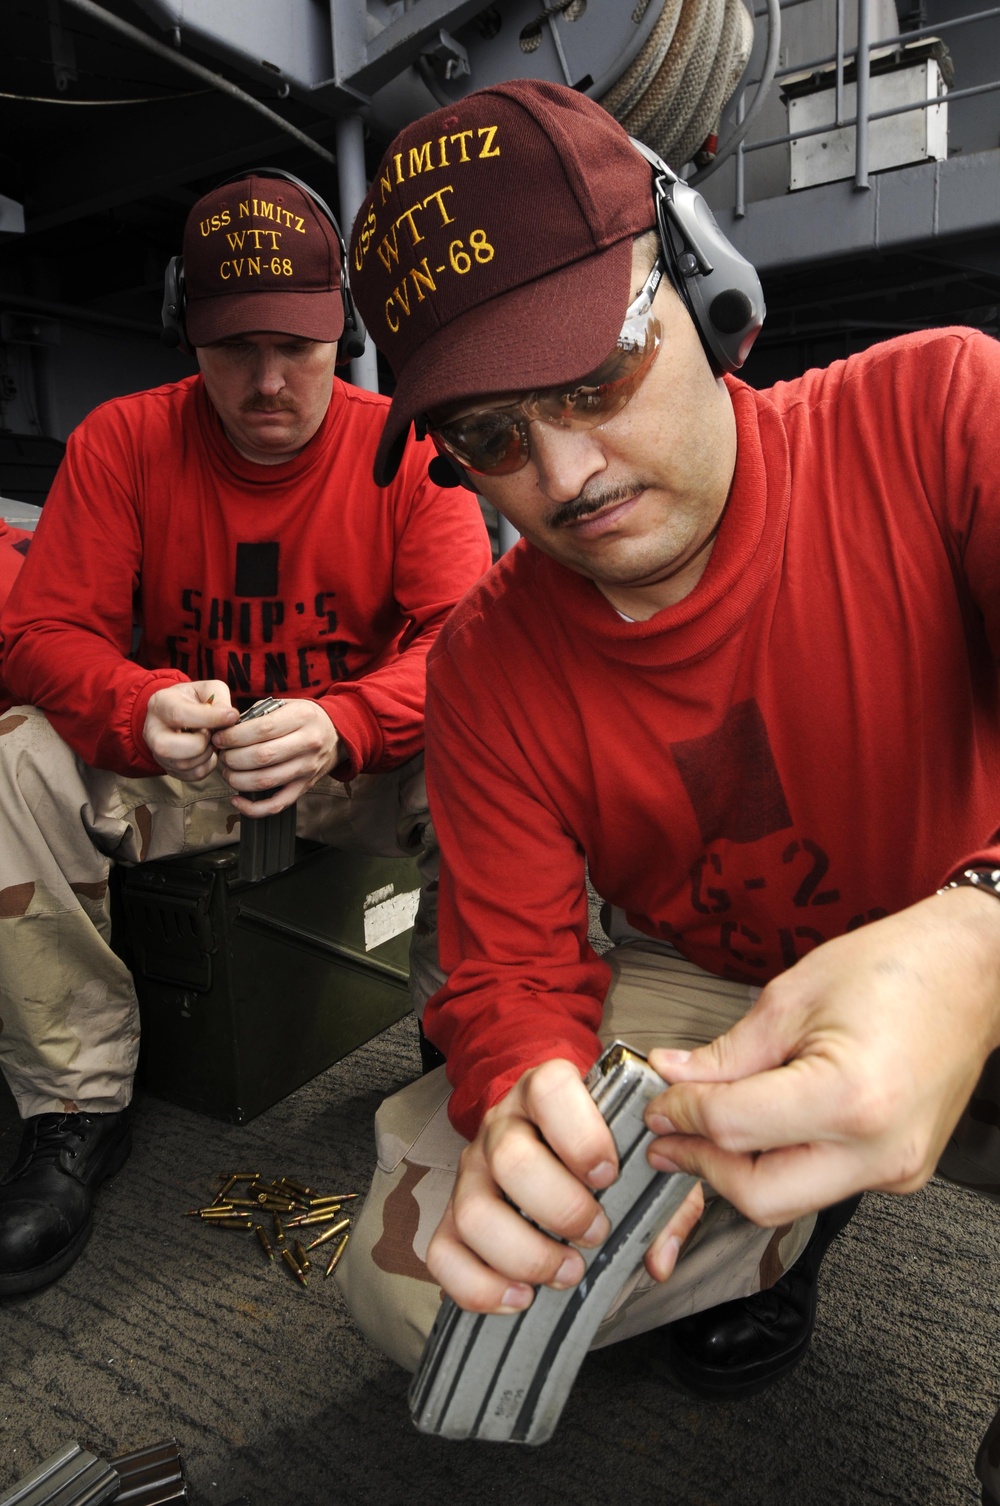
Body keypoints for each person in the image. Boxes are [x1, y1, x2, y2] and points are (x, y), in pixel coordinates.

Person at [333, 78, 1000, 1496]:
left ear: (702, 286)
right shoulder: (488, 667)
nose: (564, 477)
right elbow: (509, 968)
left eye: (596, 377)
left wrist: (976, 931)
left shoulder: (945, 415)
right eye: (491, 438)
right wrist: (519, 1098)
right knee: (416, 1288)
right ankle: (777, 1221)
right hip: (722, 1000)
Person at [0, 170, 492, 1298]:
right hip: (194, 769)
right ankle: (76, 1104)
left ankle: (459, 1064)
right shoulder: (125, 441)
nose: (267, 381)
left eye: (297, 345)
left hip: (356, 765)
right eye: (233, 348)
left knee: (503, 757)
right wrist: (135, 705)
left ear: (345, 329)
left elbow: (469, 648)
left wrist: (348, 720)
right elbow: (42, 633)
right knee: (18, 755)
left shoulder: (408, 450)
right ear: (189, 331)